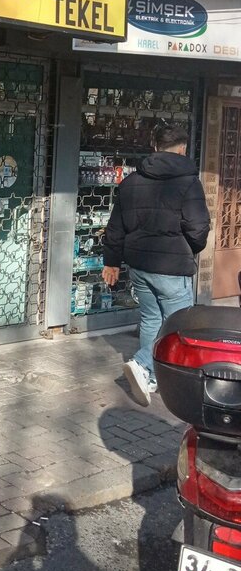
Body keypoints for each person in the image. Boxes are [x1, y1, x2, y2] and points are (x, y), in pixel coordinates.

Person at [102, 124, 210, 407]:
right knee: (177, 323)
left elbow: (115, 228)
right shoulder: (189, 182)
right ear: (183, 149)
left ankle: (150, 377)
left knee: (151, 319)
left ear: (155, 147)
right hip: (171, 266)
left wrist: (111, 261)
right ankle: (142, 364)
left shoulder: (131, 182)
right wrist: (188, 249)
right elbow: (199, 227)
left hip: (139, 264)